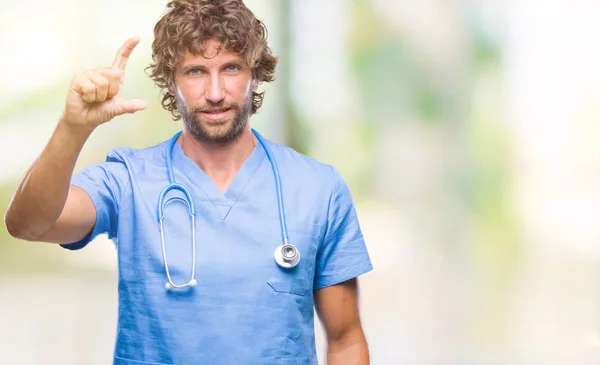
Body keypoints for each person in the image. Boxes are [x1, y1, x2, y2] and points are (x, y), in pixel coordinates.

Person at [4, 0, 373, 364]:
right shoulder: (128, 181)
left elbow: (345, 341)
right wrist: (74, 128)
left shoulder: (317, 189)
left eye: (231, 68)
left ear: (255, 74)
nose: (215, 92)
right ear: (170, 81)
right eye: (195, 71)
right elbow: (29, 225)